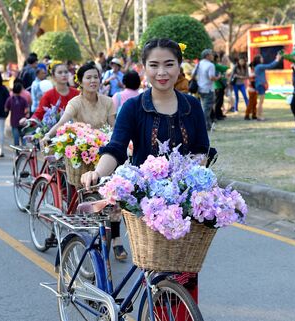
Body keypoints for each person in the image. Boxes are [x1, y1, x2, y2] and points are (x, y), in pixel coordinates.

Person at [81, 38, 213, 301]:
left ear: (179, 66)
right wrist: (97, 171)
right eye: (154, 65)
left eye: (169, 64)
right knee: (157, 275)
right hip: (147, 203)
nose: (161, 72)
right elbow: (117, 148)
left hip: (183, 205)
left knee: (184, 273)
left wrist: (193, 181)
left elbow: (201, 149)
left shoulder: (192, 106)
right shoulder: (133, 107)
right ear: (143, 68)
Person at [42, 63, 128, 260]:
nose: (93, 81)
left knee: (113, 196)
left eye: (96, 77)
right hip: (81, 155)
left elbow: (115, 127)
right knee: (79, 197)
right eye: (88, 77)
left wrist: (126, 142)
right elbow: (63, 121)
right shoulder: (75, 102)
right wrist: (48, 135)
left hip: (105, 155)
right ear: (80, 82)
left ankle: (116, 240)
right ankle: (77, 235)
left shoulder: (107, 102)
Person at [250, 52, 282, 121]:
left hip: (260, 85)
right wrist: (277, 59)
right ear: (258, 59)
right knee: (261, 102)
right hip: (260, 85)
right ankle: (259, 116)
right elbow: (270, 66)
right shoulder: (259, 66)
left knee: (261, 102)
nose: (262, 59)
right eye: (261, 58)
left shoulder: (257, 67)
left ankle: (259, 115)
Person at [196, 48, 221, 130]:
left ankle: (206, 124)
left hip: (200, 88)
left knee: (203, 107)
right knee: (207, 109)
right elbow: (211, 77)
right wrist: (218, 77)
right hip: (208, 89)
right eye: (211, 54)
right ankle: (205, 126)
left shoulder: (199, 63)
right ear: (207, 56)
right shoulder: (210, 65)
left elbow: (193, 74)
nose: (213, 56)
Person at [213, 53, 230, 120]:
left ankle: (219, 114)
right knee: (218, 101)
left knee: (220, 101)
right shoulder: (216, 65)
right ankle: (217, 115)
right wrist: (227, 60)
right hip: (218, 86)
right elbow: (227, 67)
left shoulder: (215, 65)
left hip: (218, 85)